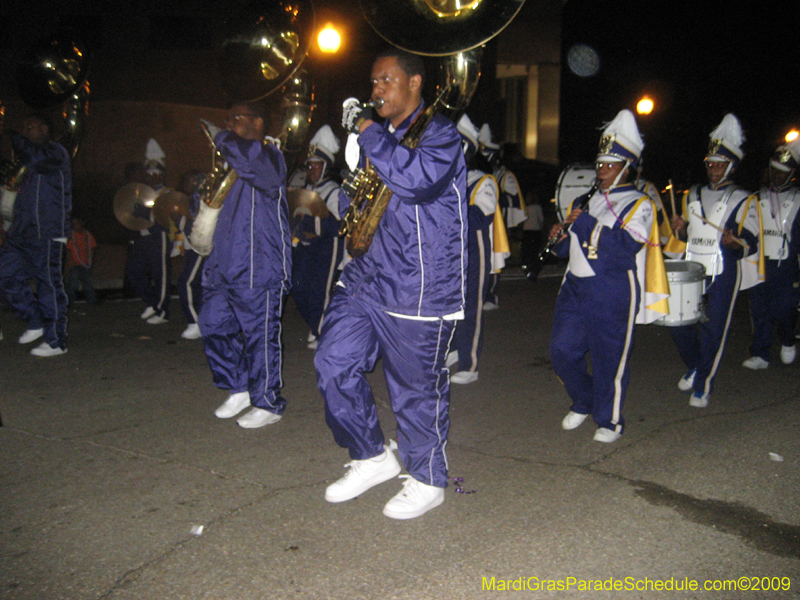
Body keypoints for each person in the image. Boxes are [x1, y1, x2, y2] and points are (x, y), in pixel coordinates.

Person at [314, 48, 467, 520]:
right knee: (332, 362)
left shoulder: (442, 136)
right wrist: (345, 199)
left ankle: (427, 479)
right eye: (373, 81)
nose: (375, 89)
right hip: (365, 278)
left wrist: (367, 133)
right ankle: (372, 456)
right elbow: (357, 202)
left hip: (418, 287)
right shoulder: (378, 140)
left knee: (414, 390)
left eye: (386, 80)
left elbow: (416, 181)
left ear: (415, 83)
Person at [550, 109, 668, 442]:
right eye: (600, 164)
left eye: (609, 165)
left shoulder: (639, 203)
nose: (601, 171)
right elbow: (568, 250)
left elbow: (625, 246)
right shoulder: (584, 199)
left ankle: (609, 418)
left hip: (612, 288)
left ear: (627, 168)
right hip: (575, 285)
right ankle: (584, 400)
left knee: (608, 359)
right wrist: (559, 236)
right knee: (561, 350)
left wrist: (584, 223)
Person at [198, 100, 292, 429]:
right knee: (211, 324)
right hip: (223, 266)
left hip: (259, 266)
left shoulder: (269, 156)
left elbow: (255, 168)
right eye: (228, 118)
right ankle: (238, 386)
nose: (229, 123)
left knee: (259, 337)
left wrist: (221, 137)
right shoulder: (228, 162)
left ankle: (268, 402)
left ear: (258, 122)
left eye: (236, 118)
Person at [667, 114, 762, 408]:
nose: (714, 169)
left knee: (713, 329)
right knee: (677, 322)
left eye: (719, 164)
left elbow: (752, 241)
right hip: (692, 268)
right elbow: (683, 237)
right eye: (710, 163)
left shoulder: (744, 199)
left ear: (731, 166)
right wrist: (679, 229)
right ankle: (696, 364)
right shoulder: (691, 193)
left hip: (723, 270)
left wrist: (735, 242)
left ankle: (704, 383)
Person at [0, 113, 72, 356]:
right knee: (5, 274)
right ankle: (35, 320)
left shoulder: (55, 152)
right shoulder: (26, 158)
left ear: (45, 128)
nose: (25, 130)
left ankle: (56, 342)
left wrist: (14, 137)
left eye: (30, 126)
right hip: (21, 231)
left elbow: (36, 157)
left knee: (48, 284)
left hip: (48, 231)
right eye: (24, 127)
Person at [447, 114, 502, 385]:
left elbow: (481, 216)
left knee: (471, 308)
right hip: (448, 253)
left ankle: (471, 364)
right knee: (449, 306)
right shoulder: (444, 181)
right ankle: (456, 349)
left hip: (474, 253)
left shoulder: (483, 181)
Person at [742, 138, 800, 368]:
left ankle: (787, 340)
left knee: (785, 308)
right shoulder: (757, 197)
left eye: (782, 172)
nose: (776, 175)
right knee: (759, 309)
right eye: (774, 170)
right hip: (761, 262)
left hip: (786, 264)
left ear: (792, 173)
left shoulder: (798, 199)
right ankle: (761, 354)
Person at [289, 125, 344, 350]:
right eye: (309, 164)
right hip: (305, 246)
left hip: (327, 248)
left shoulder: (334, 191)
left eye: (316, 165)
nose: (311, 169)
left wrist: (308, 222)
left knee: (320, 292)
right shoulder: (305, 189)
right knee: (298, 286)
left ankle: (323, 332)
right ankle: (316, 326)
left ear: (325, 167)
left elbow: (339, 225)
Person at [478, 123, 525, 310]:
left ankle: (491, 295)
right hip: (482, 221)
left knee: (493, 257)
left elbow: (513, 198)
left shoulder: (504, 175)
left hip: (497, 221)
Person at [126, 139, 172, 325]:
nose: (152, 175)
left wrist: (149, 214)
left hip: (159, 235)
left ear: (162, 174)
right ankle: (153, 303)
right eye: (149, 172)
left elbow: (166, 215)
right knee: (134, 271)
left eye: (156, 172)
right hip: (143, 236)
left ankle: (162, 312)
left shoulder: (167, 192)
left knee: (160, 274)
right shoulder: (141, 192)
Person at [175, 170, 207, 340]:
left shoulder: (200, 199)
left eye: (188, 180)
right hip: (191, 248)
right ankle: (202, 320)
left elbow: (198, 226)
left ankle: (195, 322)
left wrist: (180, 220)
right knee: (197, 285)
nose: (185, 184)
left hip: (199, 247)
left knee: (185, 282)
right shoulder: (187, 200)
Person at [65, 215, 98, 305]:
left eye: (77, 223)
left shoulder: (87, 235)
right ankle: (69, 301)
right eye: (73, 224)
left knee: (87, 283)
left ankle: (92, 300)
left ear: (82, 223)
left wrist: (90, 262)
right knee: (73, 284)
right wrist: (69, 264)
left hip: (86, 263)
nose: (75, 226)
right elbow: (69, 251)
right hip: (75, 264)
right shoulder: (71, 236)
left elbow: (92, 248)